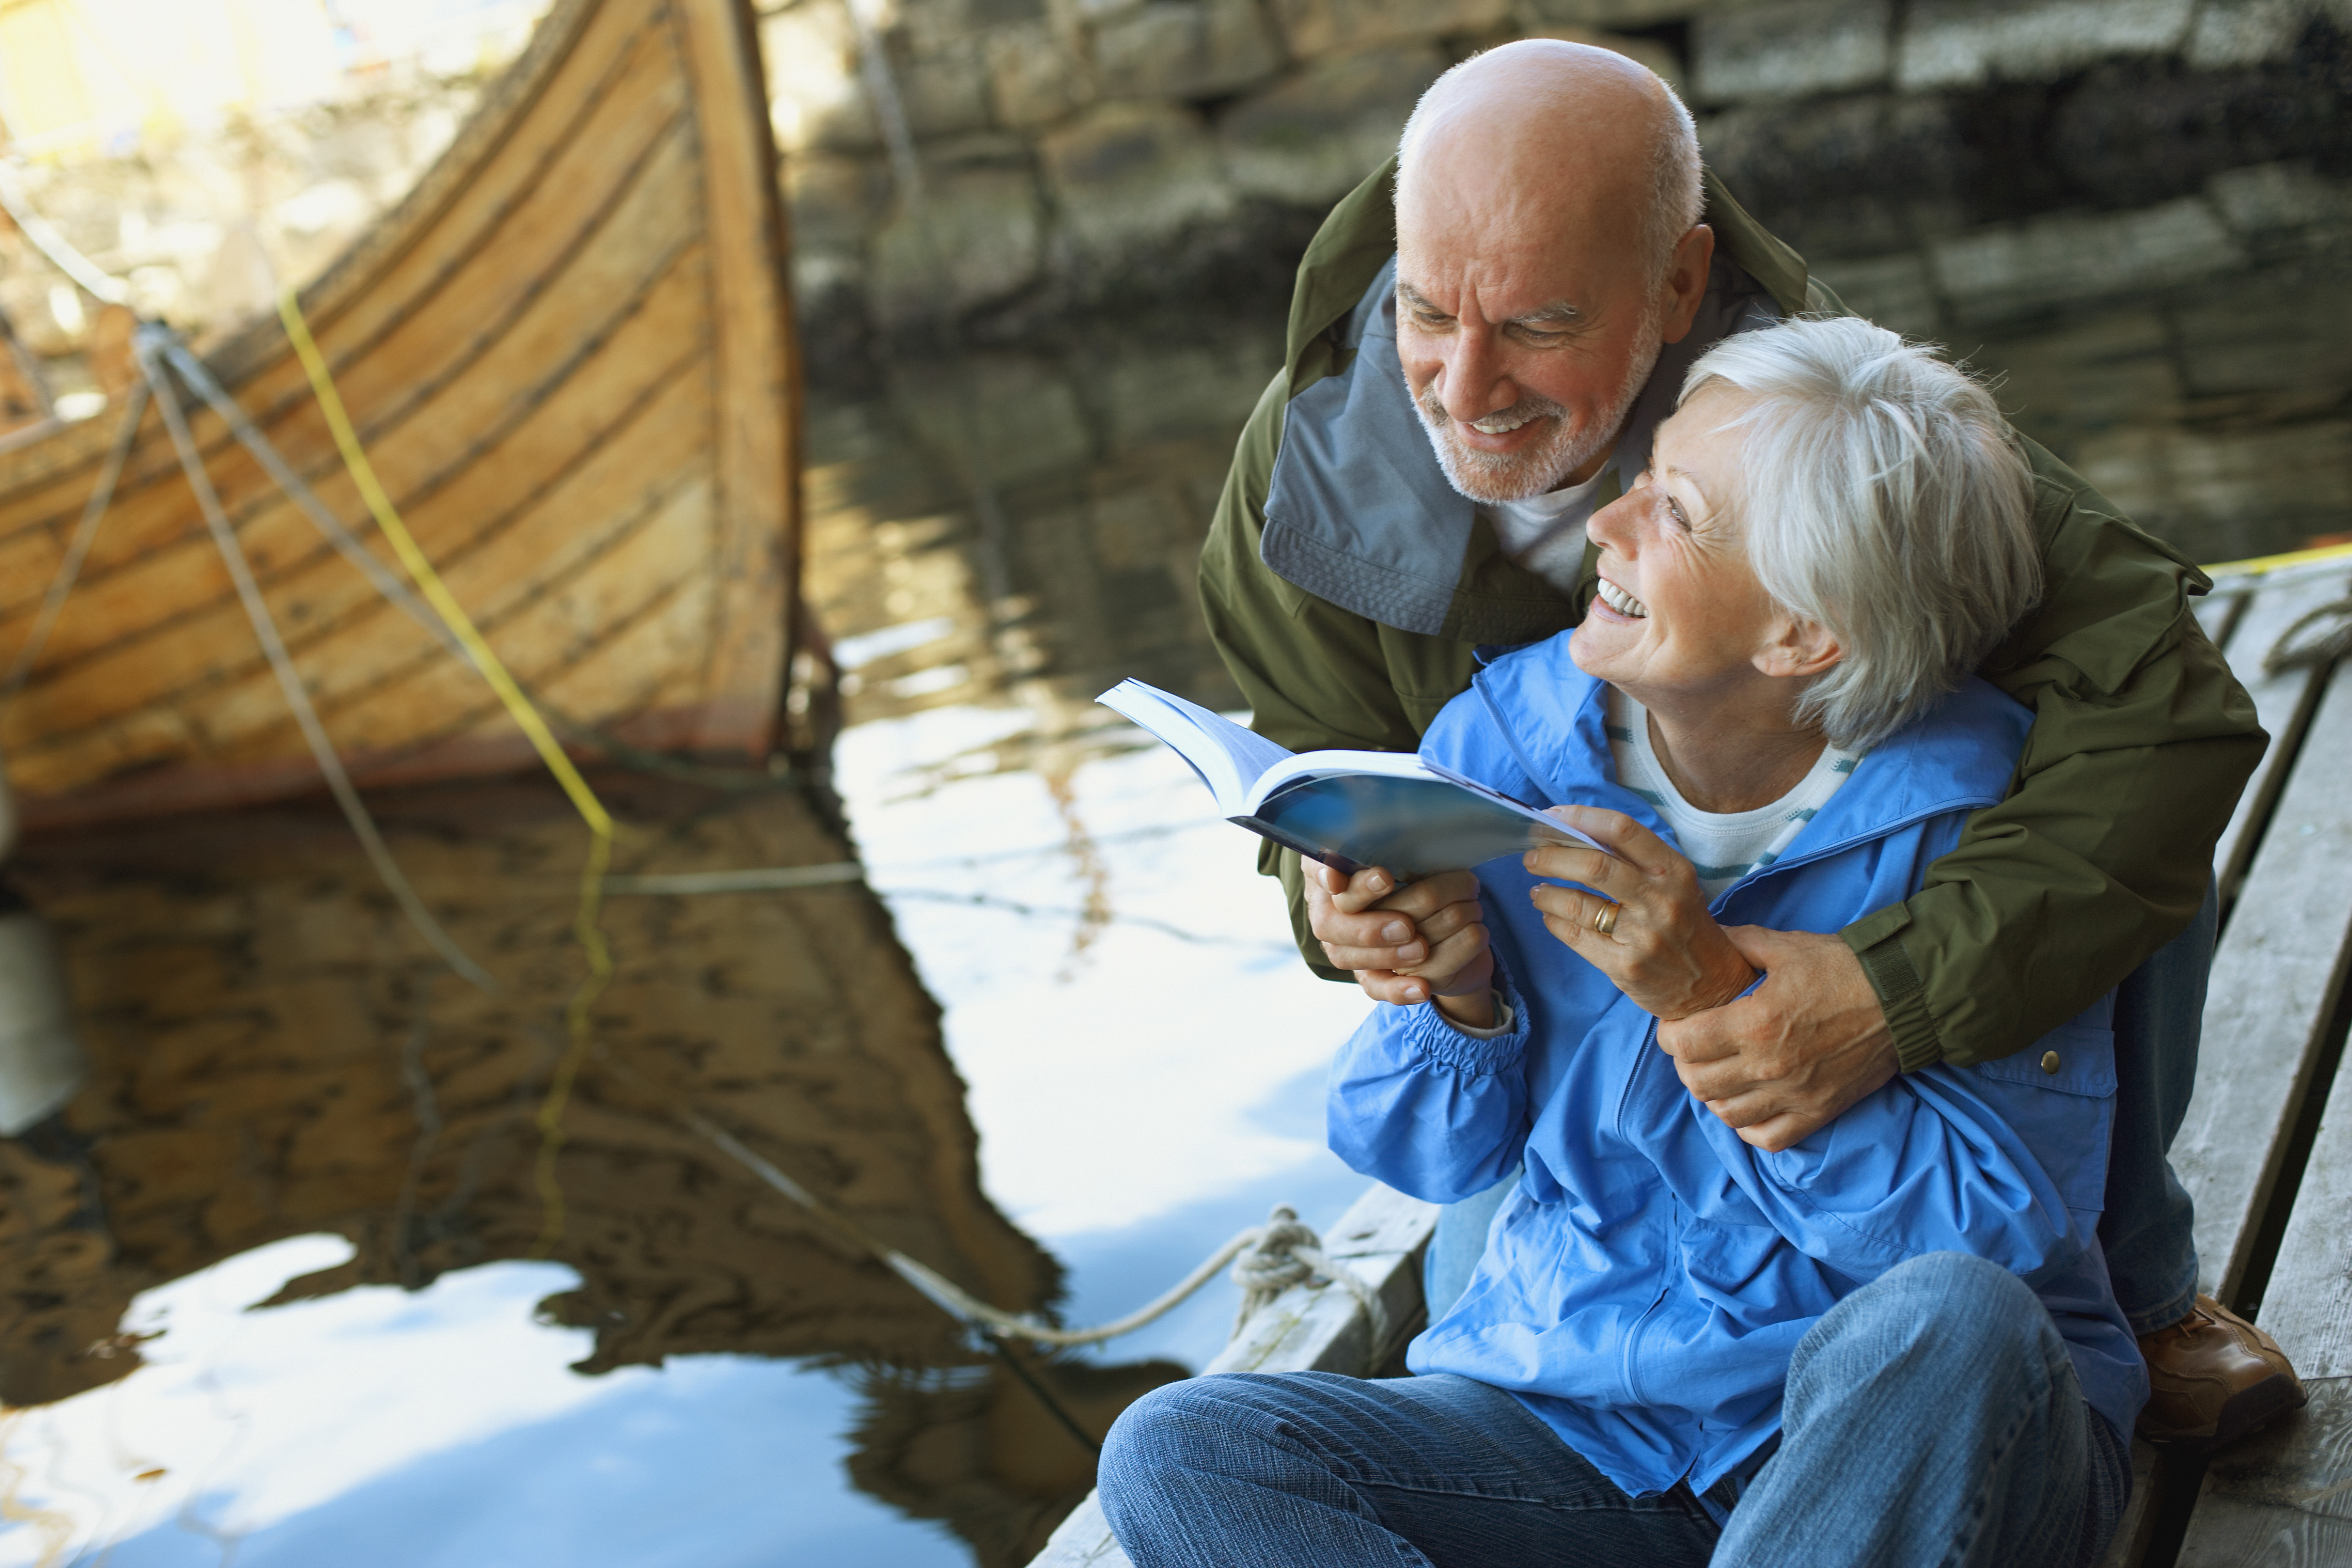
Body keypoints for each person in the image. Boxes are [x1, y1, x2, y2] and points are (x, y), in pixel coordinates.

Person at [1198, 38, 2301, 1444]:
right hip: (1552, 1019)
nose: (1465, 389)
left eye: (1536, 326)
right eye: (1425, 311)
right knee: (1457, 1379)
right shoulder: (1296, 473)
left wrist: (1887, 992)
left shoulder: (1831, 409)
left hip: (1853, 894)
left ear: (1678, 284)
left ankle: (2137, 1283)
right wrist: (1337, 899)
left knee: (2135, 853)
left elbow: (2163, 712)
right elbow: (1319, 750)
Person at [1105, 314, 2139, 1568]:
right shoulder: (1501, 749)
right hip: (1577, 1428)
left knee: (1958, 1321)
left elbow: (1991, 1240)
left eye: (1676, 513)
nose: (1604, 522)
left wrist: (1712, 992)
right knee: (1183, 1450)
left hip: (1897, 1445)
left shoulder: (1990, 828)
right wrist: (1459, 1000)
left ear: (1803, 634)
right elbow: (1416, 1153)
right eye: (1640, 481)